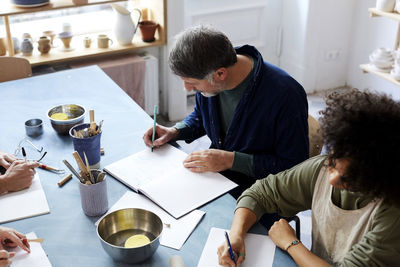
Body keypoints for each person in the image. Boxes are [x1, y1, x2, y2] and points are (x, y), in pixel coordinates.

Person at [217, 89, 400, 266]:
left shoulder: (392, 213)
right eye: (333, 163)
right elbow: (260, 193)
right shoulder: (320, 169)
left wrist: (291, 243)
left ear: (377, 176)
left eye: (348, 178)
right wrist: (236, 234)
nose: (332, 180)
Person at [143, 25, 309, 201]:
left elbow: (293, 165)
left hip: (263, 192)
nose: (188, 89)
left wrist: (231, 160)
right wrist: (175, 131)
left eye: (193, 83)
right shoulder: (212, 73)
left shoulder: (286, 95)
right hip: (218, 179)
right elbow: (201, 116)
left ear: (220, 74)